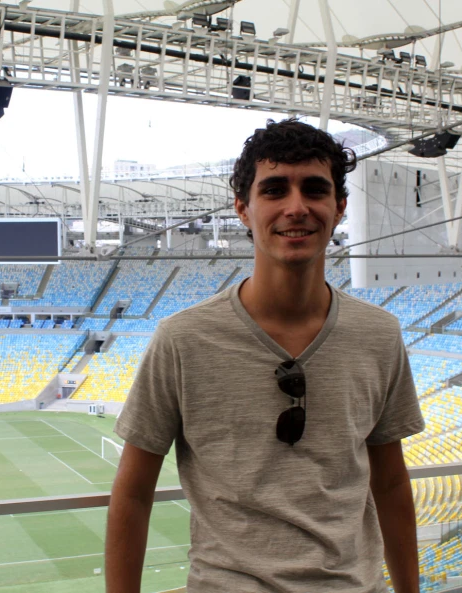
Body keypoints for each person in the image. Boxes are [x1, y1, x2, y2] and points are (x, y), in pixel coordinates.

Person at [105, 118, 425, 593]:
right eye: (275, 190)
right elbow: (133, 494)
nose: (296, 207)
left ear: (339, 208)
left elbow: (392, 483)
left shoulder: (379, 334)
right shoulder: (183, 339)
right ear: (243, 208)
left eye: (314, 189)